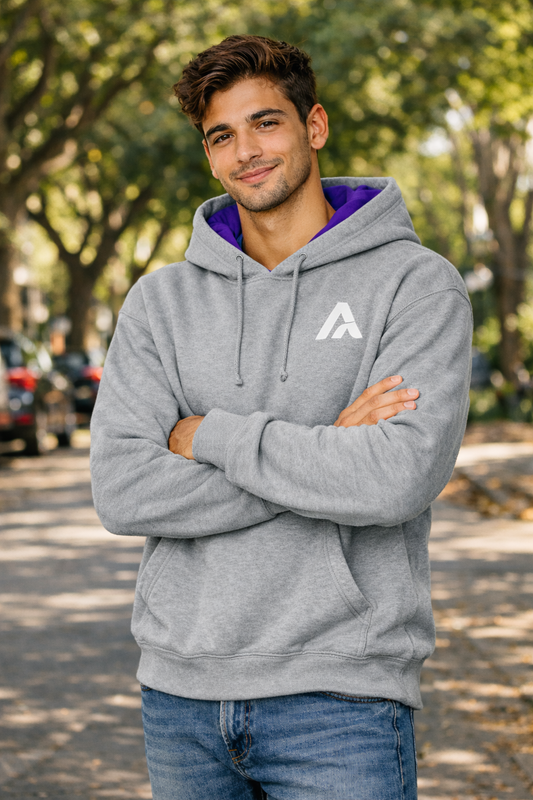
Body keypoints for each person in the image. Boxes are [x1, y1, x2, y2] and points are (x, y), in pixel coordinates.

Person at [90, 34, 472, 800]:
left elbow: (394, 479)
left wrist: (210, 436)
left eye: (265, 122)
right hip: (181, 696)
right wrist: (328, 449)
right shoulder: (160, 303)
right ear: (209, 156)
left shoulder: (413, 286)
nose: (246, 152)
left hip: (343, 697)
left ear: (314, 126)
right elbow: (124, 490)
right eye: (221, 136)